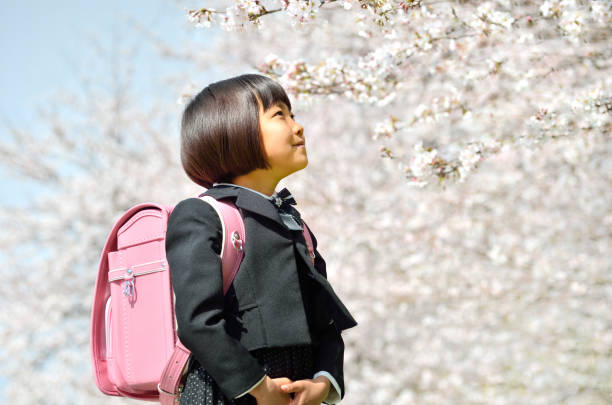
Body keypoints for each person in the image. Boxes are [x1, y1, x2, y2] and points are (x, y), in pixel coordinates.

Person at [165, 73, 358, 405]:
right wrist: (257, 387)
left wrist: (324, 383)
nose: (297, 127)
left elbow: (326, 320)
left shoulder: (293, 223)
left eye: (292, 114)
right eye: (279, 115)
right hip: (227, 391)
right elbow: (198, 321)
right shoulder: (202, 215)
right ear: (233, 129)